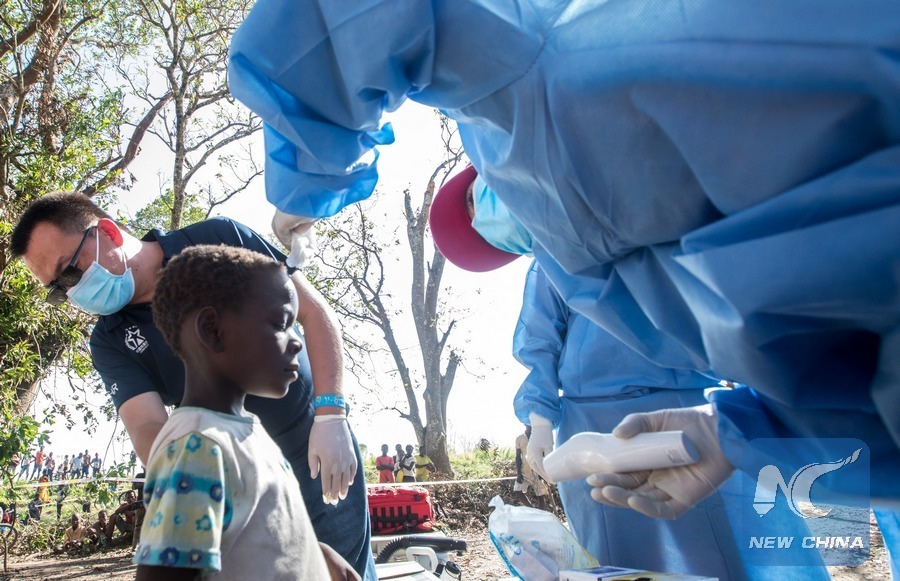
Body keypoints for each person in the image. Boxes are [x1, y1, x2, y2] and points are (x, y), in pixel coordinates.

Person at [228, 0, 900, 514]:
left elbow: (356, 20)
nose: (511, 230)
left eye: (484, 215)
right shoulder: (609, 269)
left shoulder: (543, 90)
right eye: (500, 242)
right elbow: (853, 370)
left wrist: (303, 177)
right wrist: (740, 429)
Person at [11, 193, 375, 580]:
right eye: (58, 290)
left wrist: (331, 414)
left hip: (316, 445)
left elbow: (313, 312)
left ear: (108, 233)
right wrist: (201, 478)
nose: (72, 294)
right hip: (237, 472)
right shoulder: (109, 340)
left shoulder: (217, 239)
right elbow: (146, 426)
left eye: (69, 273)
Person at [512, 261, 828, 578]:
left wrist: (759, 402)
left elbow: (731, 312)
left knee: (731, 541)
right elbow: (540, 341)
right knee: (624, 553)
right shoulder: (553, 257)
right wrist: (540, 422)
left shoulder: (674, 240)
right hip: (594, 423)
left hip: (696, 412)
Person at [133, 244, 357, 580]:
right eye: (281, 323)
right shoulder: (197, 448)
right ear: (213, 329)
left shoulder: (246, 429)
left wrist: (317, 554)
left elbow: (257, 532)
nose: (296, 341)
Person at [513, 425, 548, 511]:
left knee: (540, 495)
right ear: (525, 424)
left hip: (537, 469)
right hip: (525, 470)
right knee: (517, 490)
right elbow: (518, 456)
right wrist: (519, 473)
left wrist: (543, 471)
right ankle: (532, 510)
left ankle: (541, 515)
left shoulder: (538, 438)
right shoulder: (519, 439)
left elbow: (543, 455)